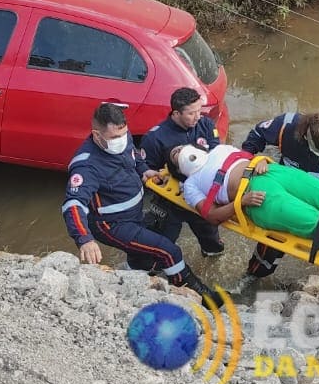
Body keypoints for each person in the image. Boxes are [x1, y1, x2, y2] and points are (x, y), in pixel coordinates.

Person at [62, 103, 214, 298]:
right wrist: (84, 239)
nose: (121, 140)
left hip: (133, 214)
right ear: (97, 135)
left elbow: (133, 156)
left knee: (153, 242)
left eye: (124, 135)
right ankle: (195, 293)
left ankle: (136, 272)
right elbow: (73, 204)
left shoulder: (122, 140)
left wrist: (145, 171)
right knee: (170, 251)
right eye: (115, 138)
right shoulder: (87, 165)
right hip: (111, 224)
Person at [240, 111, 319, 278]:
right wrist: (251, 161)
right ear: (305, 138)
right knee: (269, 249)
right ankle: (254, 275)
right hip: (285, 191)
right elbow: (257, 134)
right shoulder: (286, 125)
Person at [172, 143, 319, 245]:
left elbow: (248, 156)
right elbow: (212, 216)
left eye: (180, 147)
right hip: (254, 196)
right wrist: (241, 202)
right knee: (318, 223)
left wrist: (260, 159)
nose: (180, 151)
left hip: (272, 171)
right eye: (175, 155)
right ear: (177, 169)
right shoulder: (190, 185)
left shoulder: (219, 149)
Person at [138, 88, 226, 257]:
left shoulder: (205, 125)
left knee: (213, 247)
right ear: (176, 113)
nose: (198, 116)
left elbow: (217, 155)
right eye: (191, 113)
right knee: (160, 248)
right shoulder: (155, 137)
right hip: (171, 202)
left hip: (201, 198)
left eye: (199, 111)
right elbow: (146, 169)